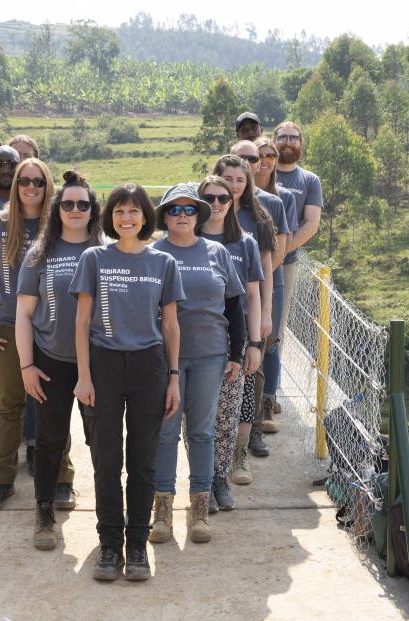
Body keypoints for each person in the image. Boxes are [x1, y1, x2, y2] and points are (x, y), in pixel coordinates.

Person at [71, 184, 184, 582]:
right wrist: (83, 377)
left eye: (134, 211)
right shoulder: (94, 259)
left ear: (145, 217)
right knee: (105, 460)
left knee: (142, 461)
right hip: (102, 365)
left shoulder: (163, 263)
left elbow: (170, 325)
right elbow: (82, 322)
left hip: (149, 367)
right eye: (120, 211)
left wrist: (173, 378)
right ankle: (109, 545)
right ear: (111, 217)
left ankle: (136, 545)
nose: (127, 218)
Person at [0, 157, 74, 510]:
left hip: (50, 328)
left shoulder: (60, 227)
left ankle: (62, 477)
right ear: (15, 185)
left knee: (53, 404)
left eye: (39, 181)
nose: (32, 187)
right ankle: (3, 478)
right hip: (5, 325)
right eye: (25, 181)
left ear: (48, 186)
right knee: (9, 403)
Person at [150, 183, 245, 544]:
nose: (183, 216)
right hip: (164, 357)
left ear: (200, 216)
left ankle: (200, 510)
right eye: (175, 210)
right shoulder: (153, 253)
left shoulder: (217, 252)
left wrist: (237, 352)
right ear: (164, 216)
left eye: (190, 210)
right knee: (166, 432)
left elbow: (235, 304)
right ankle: (162, 512)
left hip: (210, 354)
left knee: (202, 431)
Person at [15, 170, 102, 550]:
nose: (76, 209)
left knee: (102, 442)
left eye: (84, 204)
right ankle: (44, 511)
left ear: (93, 210)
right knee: (49, 441)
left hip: (99, 364)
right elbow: (22, 315)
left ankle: (108, 518)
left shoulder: (106, 249)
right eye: (68, 204)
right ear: (57, 209)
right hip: (50, 361)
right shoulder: (39, 254)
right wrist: (26, 366)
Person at [196, 175, 264, 512]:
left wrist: (254, 343)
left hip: (231, 343)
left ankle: (219, 478)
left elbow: (251, 295)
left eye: (224, 198)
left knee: (226, 416)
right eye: (209, 198)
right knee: (196, 420)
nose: (217, 204)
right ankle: (201, 482)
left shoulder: (244, 242)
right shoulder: (185, 239)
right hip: (194, 344)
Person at [211, 155, 274, 485]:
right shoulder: (201, 217)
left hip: (246, 320)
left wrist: (266, 313)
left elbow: (265, 274)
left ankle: (239, 455)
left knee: (247, 387)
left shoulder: (256, 220)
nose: (233, 187)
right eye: (227, 180)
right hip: (208, 326)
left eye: (240, 180)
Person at [231, 139, 292, 446]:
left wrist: (264, 308)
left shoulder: (270, 205)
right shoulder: (211, 204)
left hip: (256, 296)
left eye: (252, 159)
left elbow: (272, 258)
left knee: (257, 361)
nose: (249, 163)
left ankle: (252, 430)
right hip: (224, 306)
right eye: (240, 158)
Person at [254, 135, 300, 430]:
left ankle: (266, 403)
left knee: (271, 340)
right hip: (244, 281)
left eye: (271, 155)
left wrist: (263, 275)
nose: (266, 160)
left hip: (272, 276)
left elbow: (283, 246)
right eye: (260, 155)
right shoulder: (230, 195)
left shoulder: (284, 198)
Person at [274, 121, 323, 370]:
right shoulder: (261, 174)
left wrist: (281, 252)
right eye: (283, 137)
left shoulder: (309, 180)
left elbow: (311, 224)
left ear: (301, 143)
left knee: (278, 322)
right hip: (250, 260)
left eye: (294, 138)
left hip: (286, 263)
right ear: (274, 140)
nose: (288, 142)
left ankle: (271, 384)